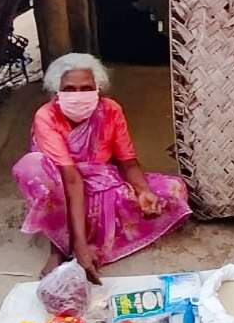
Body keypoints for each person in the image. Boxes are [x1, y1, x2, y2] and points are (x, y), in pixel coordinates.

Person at [13, 53, 191, 282]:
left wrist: (143, 191)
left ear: (98, 88)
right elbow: (71, 178)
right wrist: (80, 246)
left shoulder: (110, 110)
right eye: (69, 89)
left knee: (174, 189)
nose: (78, 95)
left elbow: (127, 161)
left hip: (103, 183)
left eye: (86, 88)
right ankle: (58, 247)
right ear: (57, 91)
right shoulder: (46, 116)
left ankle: (86, 235)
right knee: (34, 168)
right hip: (63, 189)